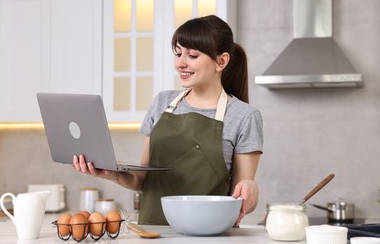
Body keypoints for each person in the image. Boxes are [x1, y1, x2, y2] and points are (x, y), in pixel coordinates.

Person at [73, 15, 263, 226]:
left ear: (221, 61)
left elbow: (241, 198)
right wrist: (111, 173)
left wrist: (251, 189)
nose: (180, 63)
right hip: (152, 234)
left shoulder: (244, 116)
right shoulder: (162, 102)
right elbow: (142, 179)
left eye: (192, 55)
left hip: (210, 237)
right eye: (178, 53)